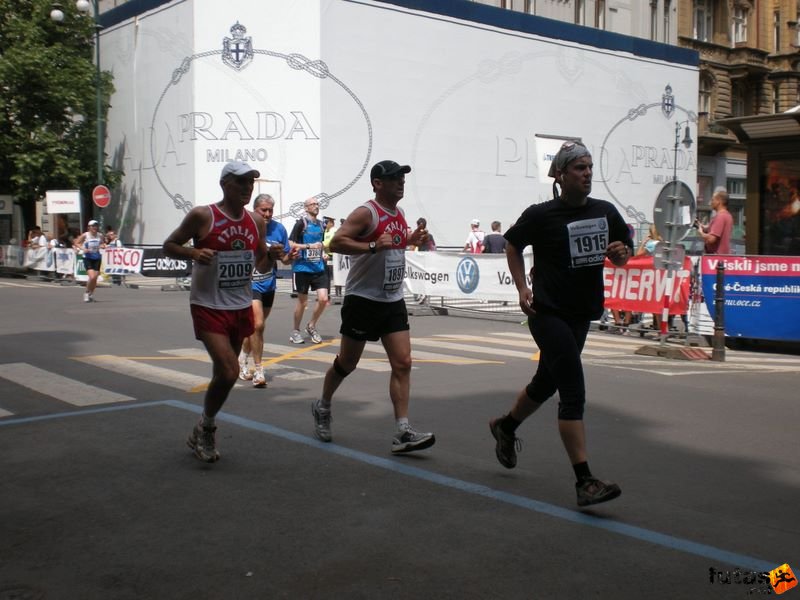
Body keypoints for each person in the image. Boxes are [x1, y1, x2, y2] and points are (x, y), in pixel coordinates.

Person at [488, 141, 632, 507]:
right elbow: (511, 244)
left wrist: (620, 253)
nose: (587, 174)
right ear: (560, 175)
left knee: (545, 383)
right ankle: (585, 481)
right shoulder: (541, 214)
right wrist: (522, 288)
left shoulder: (605, 212)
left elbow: (623, 252)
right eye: (579, 168)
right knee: (572, 392)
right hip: (547, 313)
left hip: (582, 313)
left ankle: (506, 426)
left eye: (589, 167)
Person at [311, 160, 435, 454]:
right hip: (363, 300)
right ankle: (323, 406)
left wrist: (408, 239)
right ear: (378, 183)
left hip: (392, 299)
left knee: (403, 363)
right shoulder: (366, 212)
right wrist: (370, 247)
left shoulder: (400, 213)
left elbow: (390, 242)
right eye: (394, 178)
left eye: (402, 178)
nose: (401, 182)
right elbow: (336, 243)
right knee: (347, 363)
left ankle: (403, 431)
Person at [163, 161, 281, 463]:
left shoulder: (256, 221)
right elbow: (169, 245)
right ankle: (208, 426)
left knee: (221, 372)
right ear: (224, 184)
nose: (247, 188)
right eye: (241, 182)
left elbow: (259, 264)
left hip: (239, 305)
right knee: (229, 370)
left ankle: (202, 424)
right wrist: (193, 252)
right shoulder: (204, 215)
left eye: (250, 183)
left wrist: (270, 255)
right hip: (208, 305)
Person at [238, 194, 295, 388]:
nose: (268, 213)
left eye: (271, 210)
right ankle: (259, 371)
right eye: (264, 210)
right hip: (249, 284)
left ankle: (242, 357)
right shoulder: (245, 227)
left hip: (269, 284)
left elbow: (284, 259)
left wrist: (291, 257)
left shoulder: (279, 229)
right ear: (255, 210)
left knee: (254, 329)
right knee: (258, 325)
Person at [288, 197, 329, 344]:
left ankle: (311, 326)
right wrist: (308, 247)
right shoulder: (301, 224)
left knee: (324, 299)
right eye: (313, 204)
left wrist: (322, 253)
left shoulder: (322, 224)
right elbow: (290, 243)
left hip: (318, 267)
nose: (316, 206)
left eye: (317, 204)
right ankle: (295, 331)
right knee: (302, 302)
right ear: (306, 208)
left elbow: (320, 243)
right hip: (302, 268)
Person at [73, 220, 106, 302]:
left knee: (95, 278)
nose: (95, 227)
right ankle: (87, 293)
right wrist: (83, 249)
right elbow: (76, 243)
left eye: (96, 226)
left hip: (97, 257)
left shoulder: (100, 235)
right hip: (88, 257)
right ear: (89, 227)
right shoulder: (85, 235)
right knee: (92, 276)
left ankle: (91, 294)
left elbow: (102, 243)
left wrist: (103, 246)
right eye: (93, 226)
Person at [695, 187, 733, 254]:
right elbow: (712, 229)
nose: (710, 202)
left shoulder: (720, 216)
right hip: (722, 257)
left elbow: (711, 239)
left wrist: (701, 233)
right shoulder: (727, 215)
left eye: (713, 200)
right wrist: (699, 225)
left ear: (719, 201)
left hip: (715, 259)